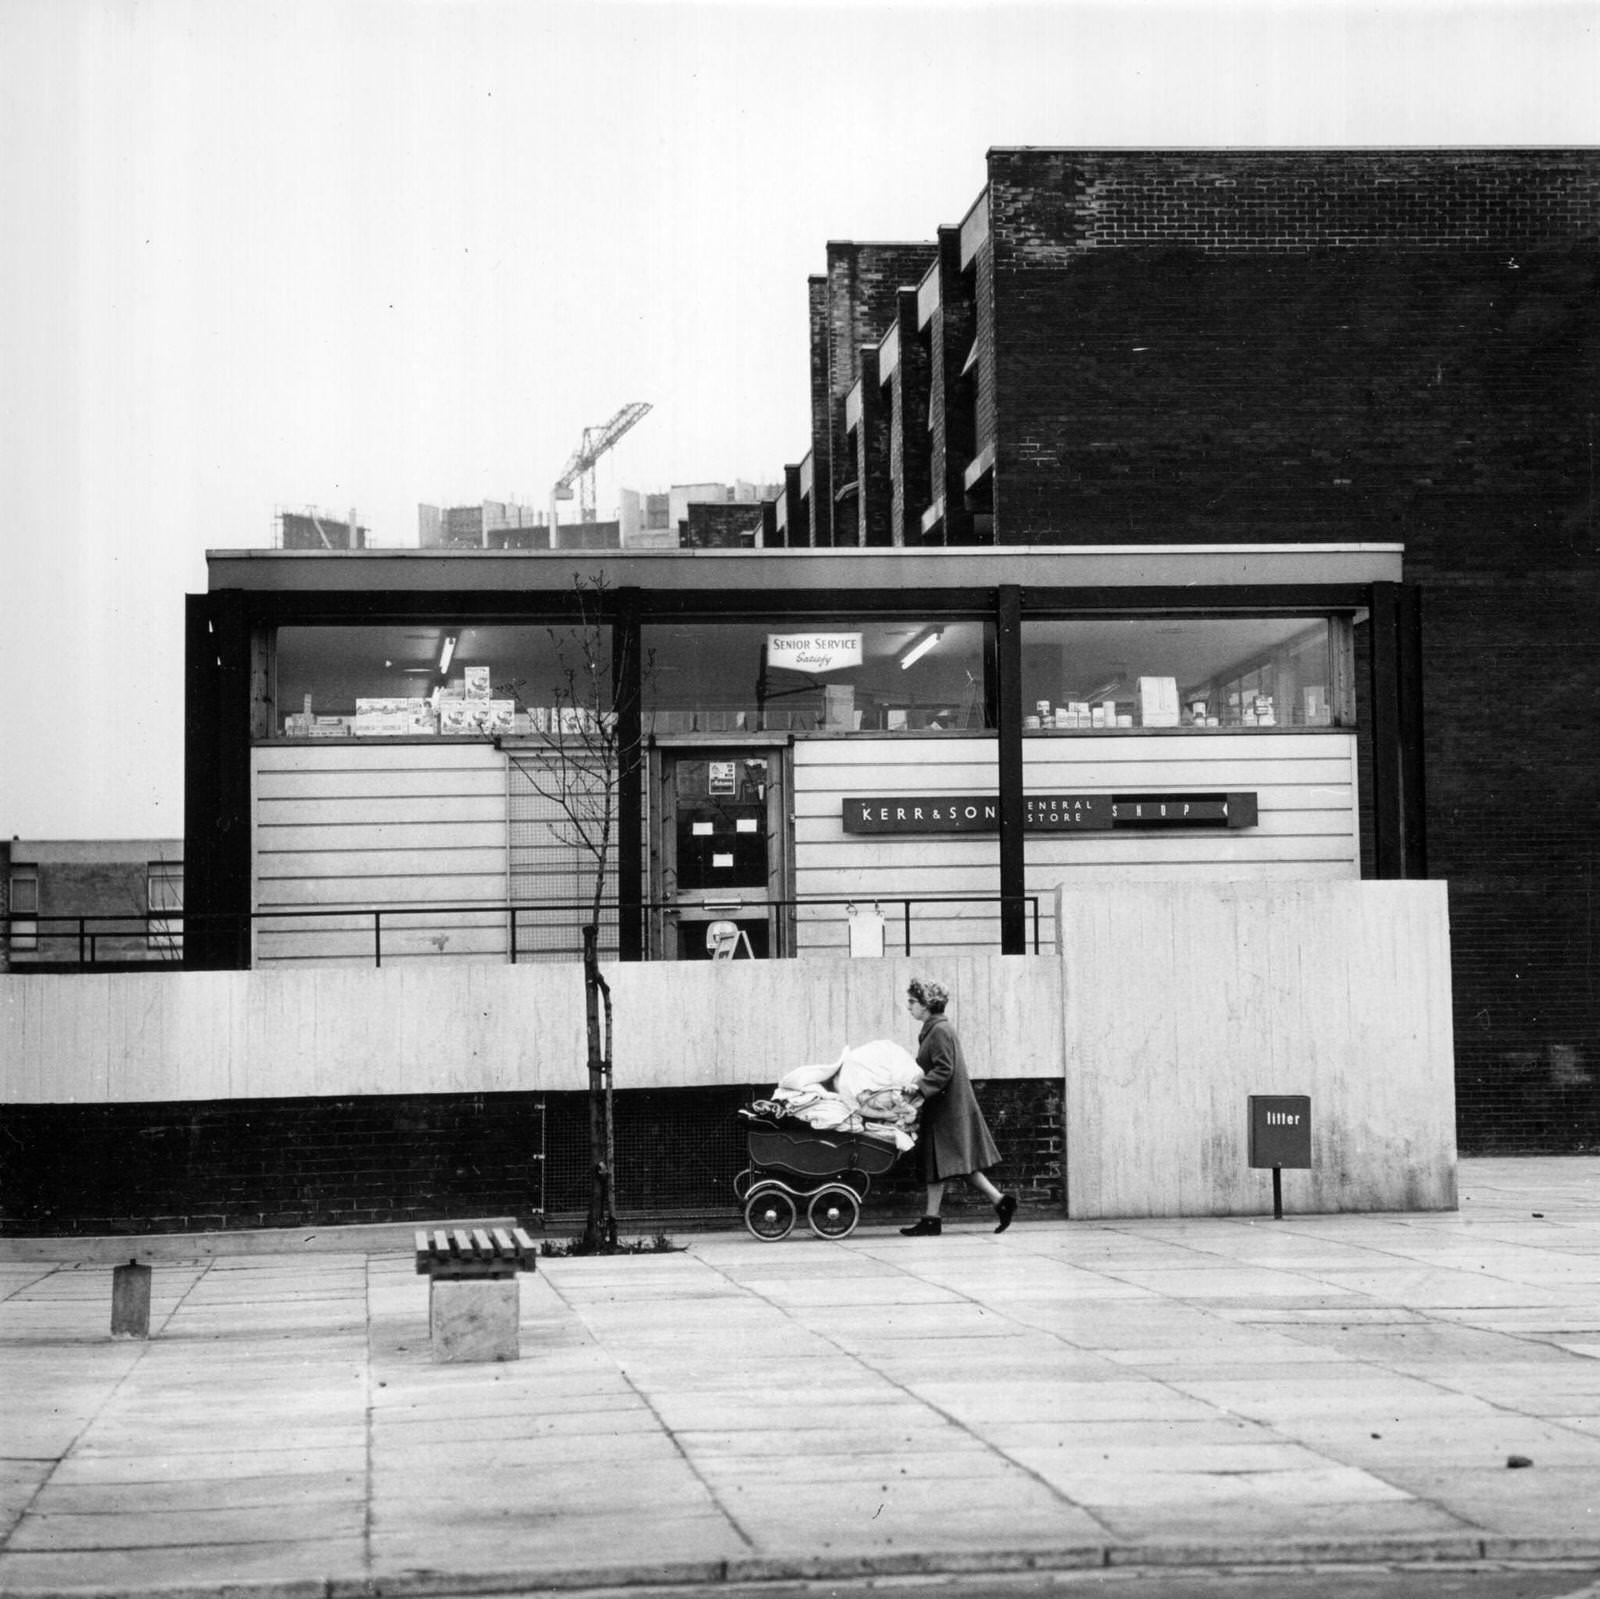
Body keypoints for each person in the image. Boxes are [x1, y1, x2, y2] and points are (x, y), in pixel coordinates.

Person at [899, 978, 1018, 1236]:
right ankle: (999, 1201)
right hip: (946, 1106)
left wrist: (919, 1088)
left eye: (912, 1002)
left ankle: (933, 1219)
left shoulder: (940, 1031)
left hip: (947, 1110)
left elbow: (944, 1069)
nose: (908, 1007)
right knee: (955, 1164)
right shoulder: (936, 1028)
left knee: (944, 1163)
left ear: (926, 1004)